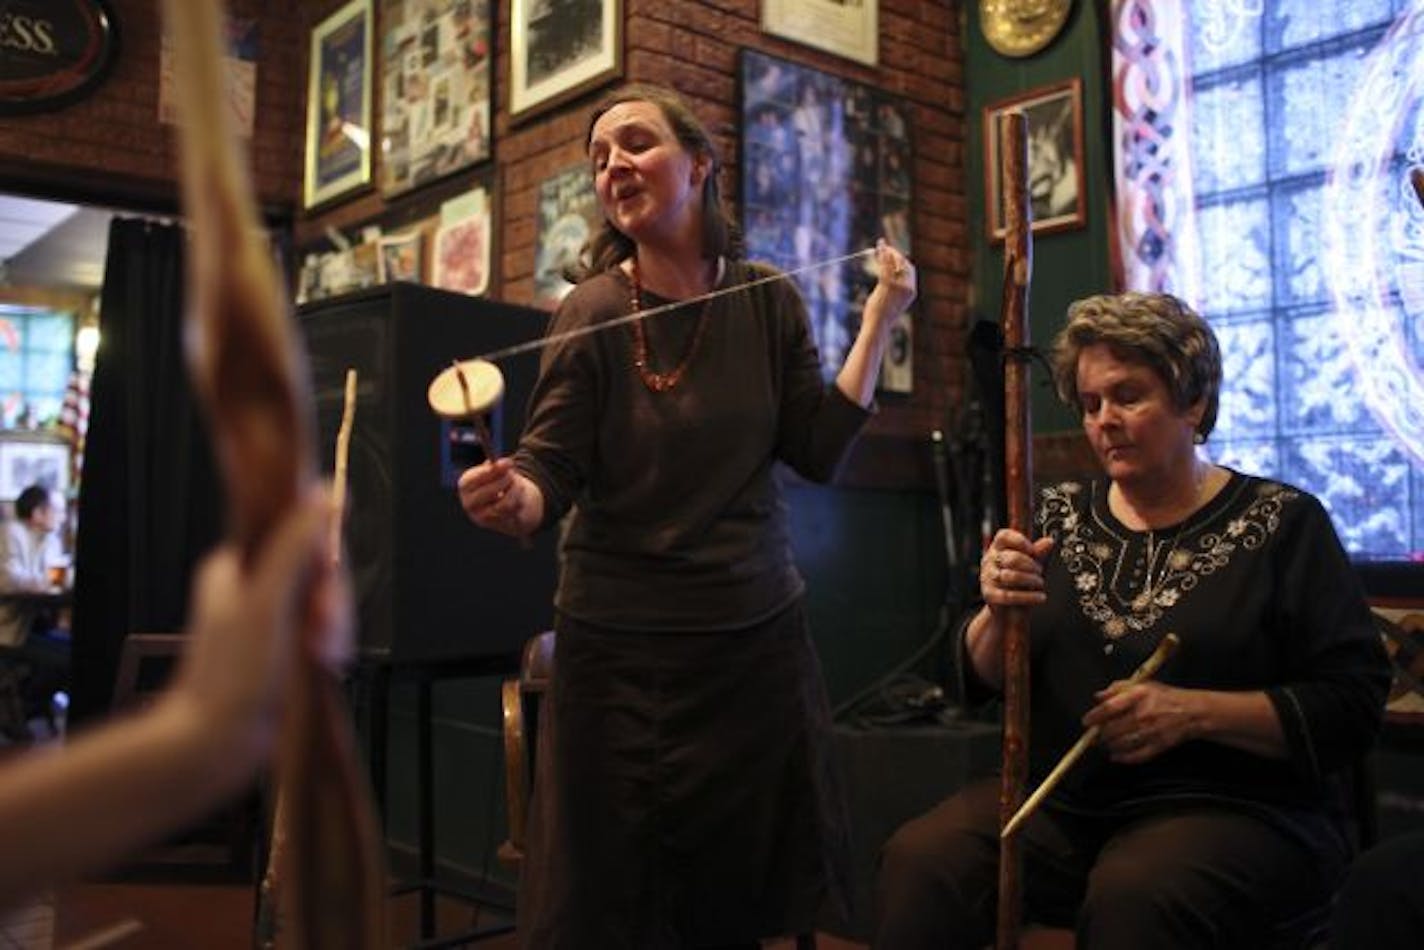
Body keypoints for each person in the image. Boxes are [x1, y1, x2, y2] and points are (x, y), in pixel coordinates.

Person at [458, 83, 916, 947]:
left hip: (754, 642)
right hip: (618, 656)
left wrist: (881, 317)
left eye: (634, 143)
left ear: (700, 164)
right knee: (615, 902)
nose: (611, 166)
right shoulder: (590, 310)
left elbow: (816, 448)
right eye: (597, 157)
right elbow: (548, 466)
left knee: (746, 894)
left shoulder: (768, 297)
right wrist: (513, 497)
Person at [875, 292, 1391, 948]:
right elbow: (979, 679)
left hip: (1235, 809)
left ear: (1194, 401)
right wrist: (995, 616)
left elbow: (1351, 703)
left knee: (1138, 895)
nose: (1104, 421)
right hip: (1066, 808)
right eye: (1090, 404)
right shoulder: (1054, 514)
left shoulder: (1283, 522)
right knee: (924, 860)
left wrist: (1194, 711)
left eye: (1128, 396)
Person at [0, 488, 348, 905]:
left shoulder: (50, 538)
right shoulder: (11, 534)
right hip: (11, 632)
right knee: (60, 659)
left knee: (62, 655)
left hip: (35, 627)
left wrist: (201, 736)